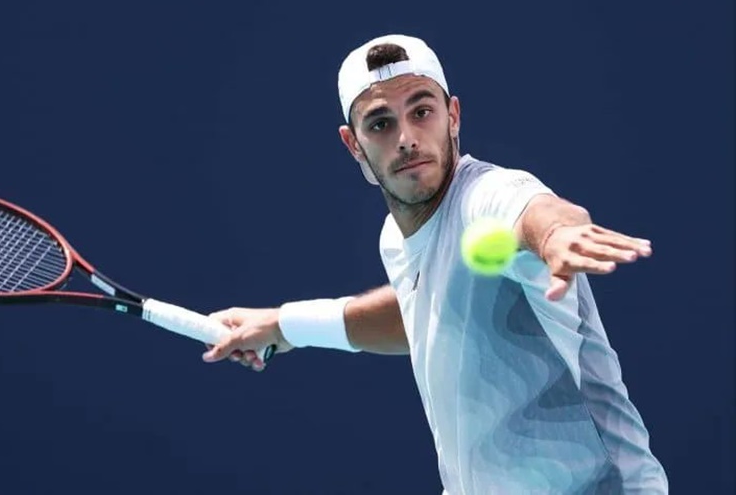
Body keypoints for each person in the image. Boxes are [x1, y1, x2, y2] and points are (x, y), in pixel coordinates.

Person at [202, 34, 669, 494]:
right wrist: (287, 325)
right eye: (380, 124)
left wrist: (556, 235)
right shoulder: (396, 239)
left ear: (453, 117)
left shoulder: (485, 196)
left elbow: (532, 211)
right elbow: (424, 314)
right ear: (354, 145)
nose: (406, 138)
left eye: (421, 112)